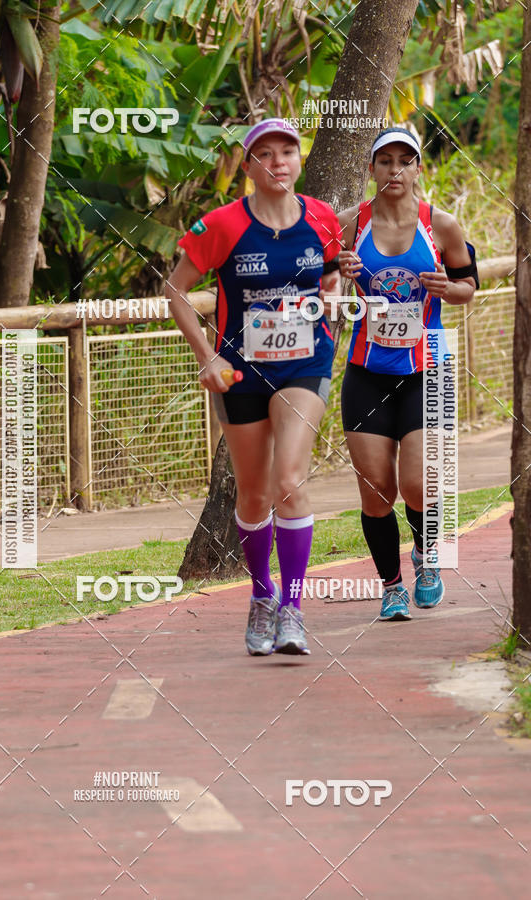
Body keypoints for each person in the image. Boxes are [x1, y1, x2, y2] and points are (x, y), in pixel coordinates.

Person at [166, 118, 342, 655]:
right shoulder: (220, 225)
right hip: (239, 373)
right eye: (264, 154)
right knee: (255, 493)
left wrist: (331, 309)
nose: (278, 161)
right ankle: (261, 594)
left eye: (287, 151)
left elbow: (330, 275)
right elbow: (174, 289)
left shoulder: (323, 217)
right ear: (249, 168)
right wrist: (208, 355)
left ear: (298, 158)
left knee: (290, 479)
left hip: (305, 366)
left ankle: (293, 607)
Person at [337, 126, 477, 621]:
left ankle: (428, 558)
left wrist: (446, 287)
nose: (394, 170)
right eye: (384, 161)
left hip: (425, 369)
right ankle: (392, 585)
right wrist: (339, 273)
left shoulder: (442, 226)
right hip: (365, 372)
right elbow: (320, 287)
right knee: (377, 491)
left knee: (419, 485)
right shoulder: (349, 223)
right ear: (371, 169)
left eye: (405, 160)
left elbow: (468, 287)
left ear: (418, 167)